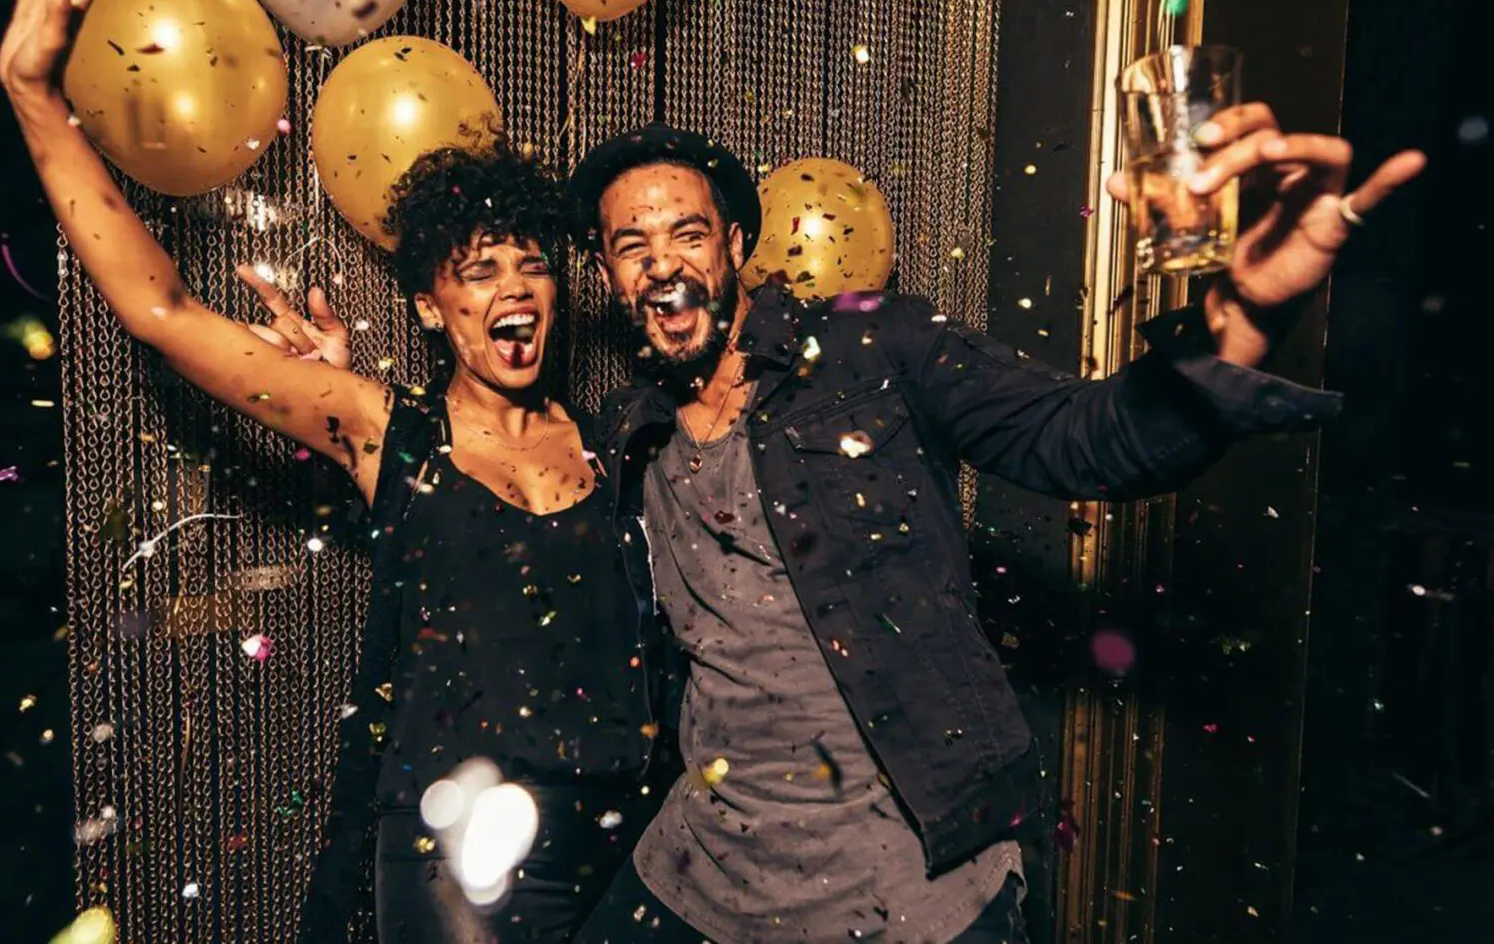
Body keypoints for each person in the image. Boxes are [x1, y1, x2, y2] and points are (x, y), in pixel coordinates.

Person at [563, 121, 1426, 943]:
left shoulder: (873, 347)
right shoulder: (629, 435)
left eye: (687, 234)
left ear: (735, 247)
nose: (663, 265)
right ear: (607, 274)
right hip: (705, 872)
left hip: (906, 879)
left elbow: (1085, 439)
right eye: (632, 247)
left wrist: (1239, 314)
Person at [0, 0, 662, 943]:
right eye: (477, 271)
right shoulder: (383, 430)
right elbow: (161, 312)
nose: (512, 288)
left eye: (529, 262)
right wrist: (35, 97)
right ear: (434, 308)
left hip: (627, 843)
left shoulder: (620, 443)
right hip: (462, 868)